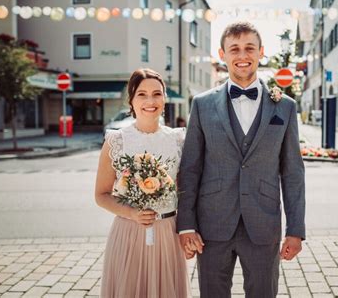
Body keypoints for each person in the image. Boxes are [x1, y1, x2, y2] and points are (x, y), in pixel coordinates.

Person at [177, 21, 306, 297]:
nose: (242, 55)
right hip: (211, 224)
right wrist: (186, 224)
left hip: (263, 224)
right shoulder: (201, 105)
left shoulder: (284, 106)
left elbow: (293, 173)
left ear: (261, 52)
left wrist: (295, 230)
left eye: (249, 48)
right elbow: (190, 169)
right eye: (234, 49)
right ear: (222, 55)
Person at [95, 68, 190, 298]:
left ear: (165, 99)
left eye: (157, 94)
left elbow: (187, 191)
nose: (150, 100)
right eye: (142, 94)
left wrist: (189, 229)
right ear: (131, 100)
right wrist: (132, 213)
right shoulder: (117, 141)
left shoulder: (178, 140)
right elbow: (101, 195)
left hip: (168, 233)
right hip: (129, 233)